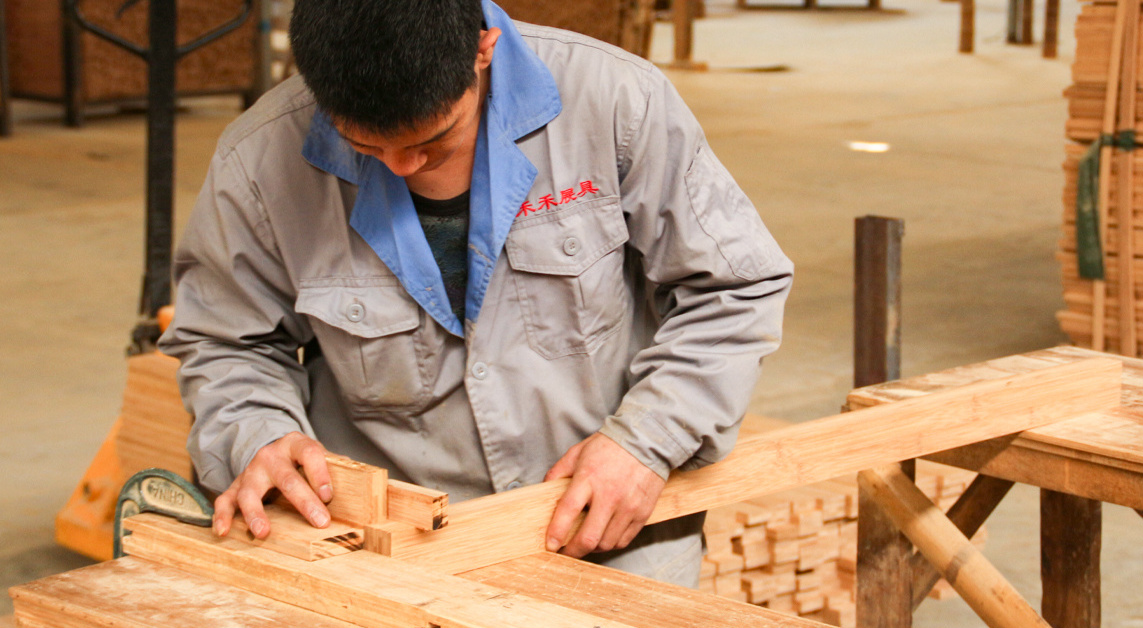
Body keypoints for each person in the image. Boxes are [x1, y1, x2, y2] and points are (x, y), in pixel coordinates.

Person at [159, 0, 793, 587]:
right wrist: (258, 435)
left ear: (482, 50)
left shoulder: (616, 103)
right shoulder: (259, 159)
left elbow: (736, 288)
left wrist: (646, 443)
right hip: (386, 554)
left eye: (430, 142)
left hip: (610, 529)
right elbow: (224, 343)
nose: (400, 167)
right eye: (365, 147)